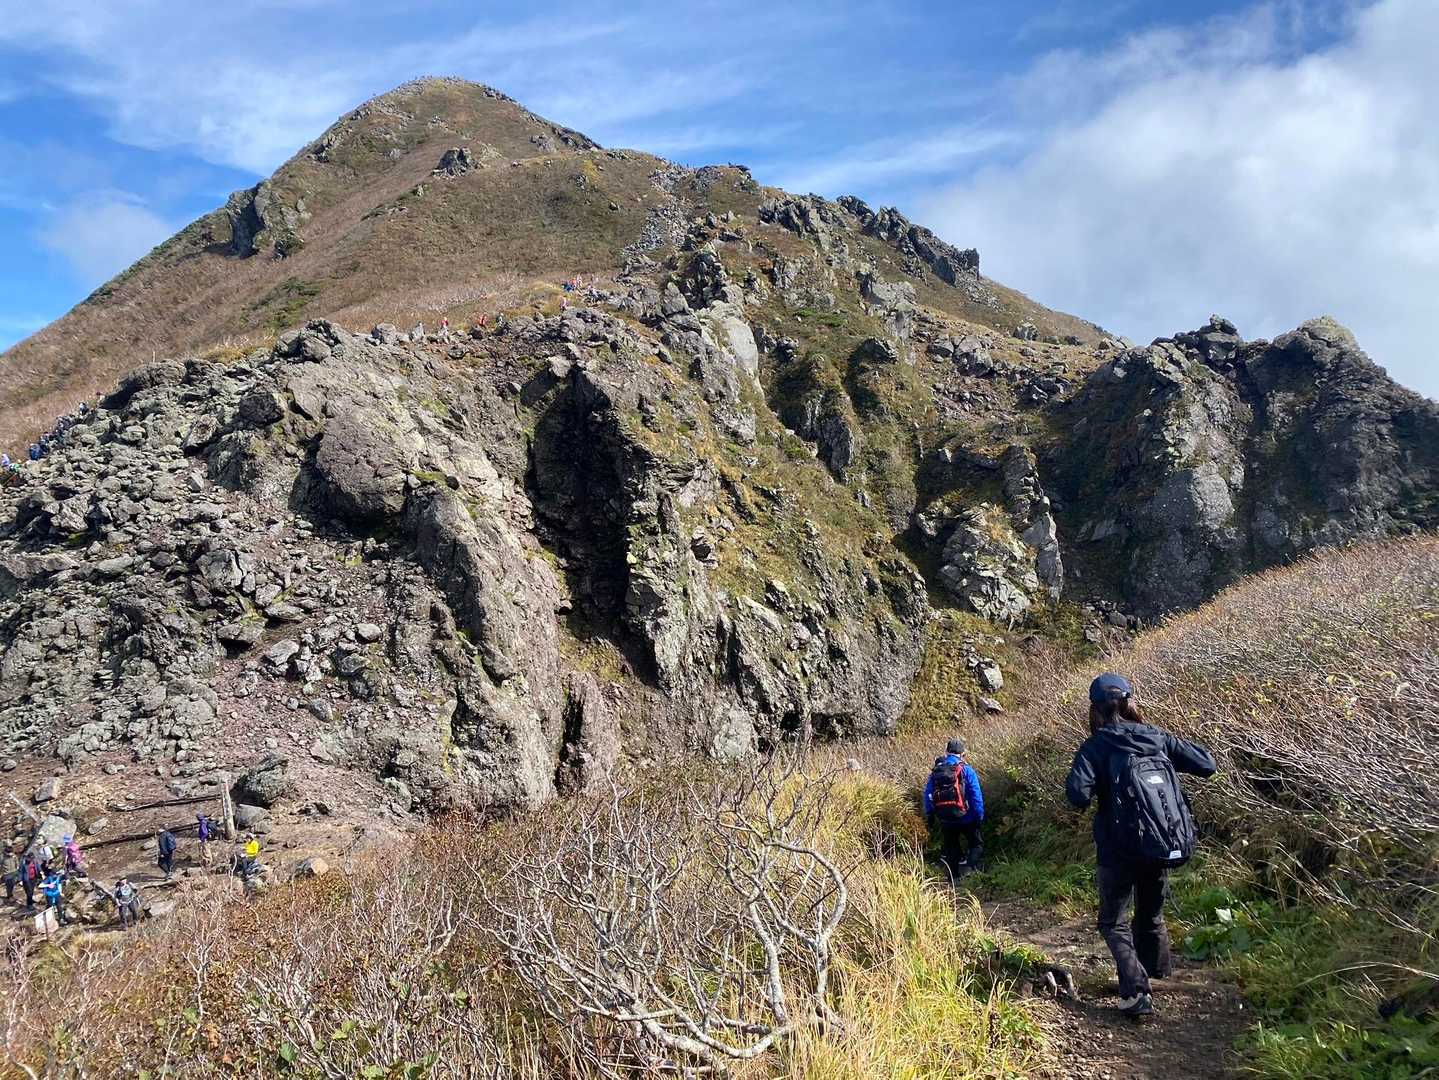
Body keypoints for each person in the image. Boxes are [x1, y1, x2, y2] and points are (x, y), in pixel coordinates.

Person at [1066, 672, 1217, 1018]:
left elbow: (1077, 795)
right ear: (1129, 703)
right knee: (1150, 914)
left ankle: (1136, 991)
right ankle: (1158, 974)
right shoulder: (1156, 736)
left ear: (1095, 709)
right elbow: (1207, 764)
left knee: (1113, 922)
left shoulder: (1096, 746)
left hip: (1117, 849)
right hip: (1157, 842)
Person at [924, 737, 985, 880]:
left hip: (945, 818)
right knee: (976, 845)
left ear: (946, 752)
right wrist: (979, 817)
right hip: (967, 817)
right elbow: (976, 796)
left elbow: (927, 795)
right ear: (963, 753)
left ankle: (953, 879)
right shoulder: (967, 770)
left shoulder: (936, 772)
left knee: (951, 848)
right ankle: (969, 869)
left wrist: (930, 815)